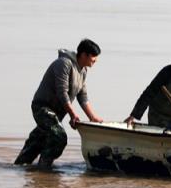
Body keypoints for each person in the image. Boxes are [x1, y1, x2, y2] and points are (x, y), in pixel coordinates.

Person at [15, 39, 104, 169]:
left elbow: (82, 96)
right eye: (94, 57)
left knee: (37, 142)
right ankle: (43, 170)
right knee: (58, 137)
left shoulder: (83, 71)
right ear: (84, 55)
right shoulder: (64, 64)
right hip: (43, 107)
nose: (96, 60)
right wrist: (73, 115)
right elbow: (62, 92)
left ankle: (18, 168)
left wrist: (92, 117)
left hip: (57, 112)